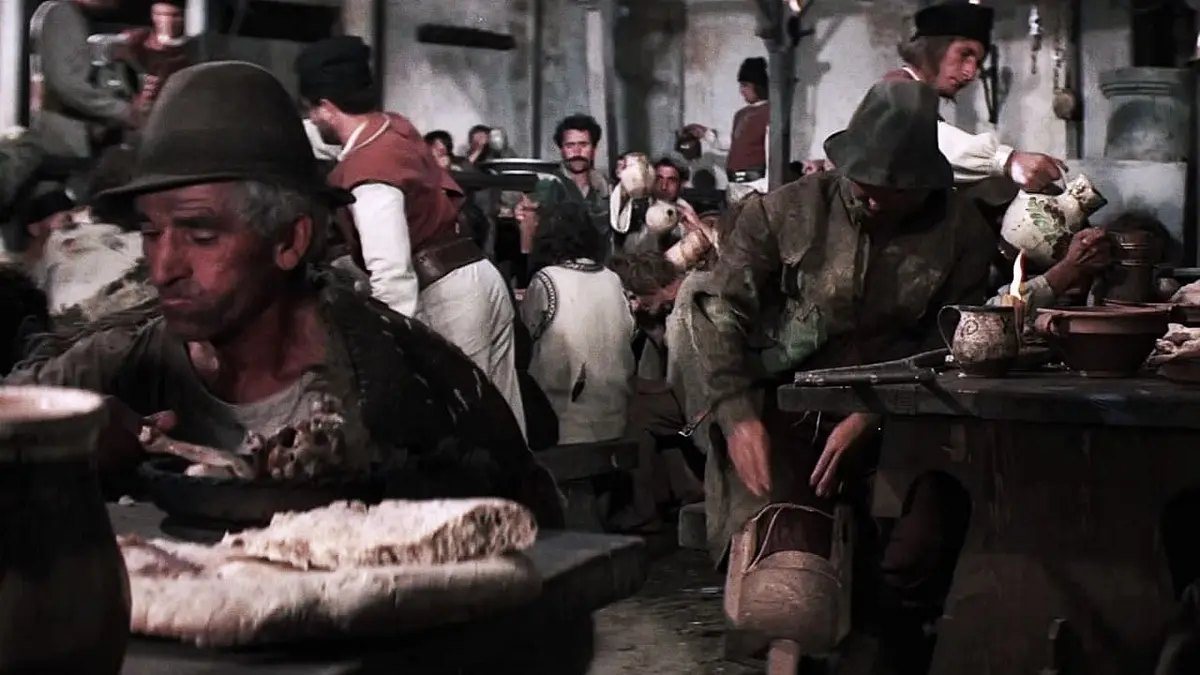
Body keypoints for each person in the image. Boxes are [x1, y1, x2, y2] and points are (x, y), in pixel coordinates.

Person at [5, 61, 563, 528]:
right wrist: (59, 439)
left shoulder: (409, 385)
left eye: (201, 235)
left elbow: (534, 539)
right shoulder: (118, 363)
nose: (164, 267)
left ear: (289, 241)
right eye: (151, 233)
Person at [691, 80, 994, 670]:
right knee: (790, 573)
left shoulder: (962, 232)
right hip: (791, 411)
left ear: (921, 182)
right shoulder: (782, 213)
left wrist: (874, 412)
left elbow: (952, 336)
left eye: (891, 188)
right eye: (862, 179)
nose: (871, 196)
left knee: (913, 557)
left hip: (908, 414)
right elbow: (720, 312)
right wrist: (737, 414)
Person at [294, 37, 527, 439]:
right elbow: (325, 141)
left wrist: (391, 361)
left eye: (313, 111)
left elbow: (393, 277)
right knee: (505, 428)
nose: (312, 120)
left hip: (448, 298)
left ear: (327, 106)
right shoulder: (393, 128)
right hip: (478, 277)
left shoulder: (370, 174)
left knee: (467, 437)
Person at [886, 0, 1063, 192]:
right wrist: (1008, 161)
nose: (970, 73)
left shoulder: (919, 99)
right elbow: (928, 142)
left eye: (977, 63)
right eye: (964, 54)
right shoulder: (897, 90)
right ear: (933, 49)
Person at [520, 201, 634, 446]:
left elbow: (525, 337)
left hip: (562, 426)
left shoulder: (546, 280)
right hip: (616, 421)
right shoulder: (613, 279)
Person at [29, 0, 139, 160]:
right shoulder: (62, 13)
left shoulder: (63, 13)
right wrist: (123, 111)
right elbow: (67, 84)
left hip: (59, 130)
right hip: (60, 134)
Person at [516, 114, 612, 262]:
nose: (577, 152)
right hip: (556, 267)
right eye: (570, 145)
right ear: (561, 149)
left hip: (598, 267)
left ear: (594, 148)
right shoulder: (548, 184)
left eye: (583, 145)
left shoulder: (604, 187)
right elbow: (528, 237)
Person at [683, 57, 770, 202]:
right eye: (741, 86)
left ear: (758, 85)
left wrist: (765, 187)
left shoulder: (770, 113)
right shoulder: (740, 114)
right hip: (735, 184)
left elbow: (772, 152)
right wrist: (705, 133)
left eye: (745, 85)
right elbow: (735, 143)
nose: (741, 90)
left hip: (756, 185)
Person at [116, 0, 195, 113]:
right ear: (152, 16)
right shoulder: (136, 41)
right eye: (160, 14)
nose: (166, 21)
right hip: (141, 107)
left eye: (174, 15)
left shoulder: (198, 46)